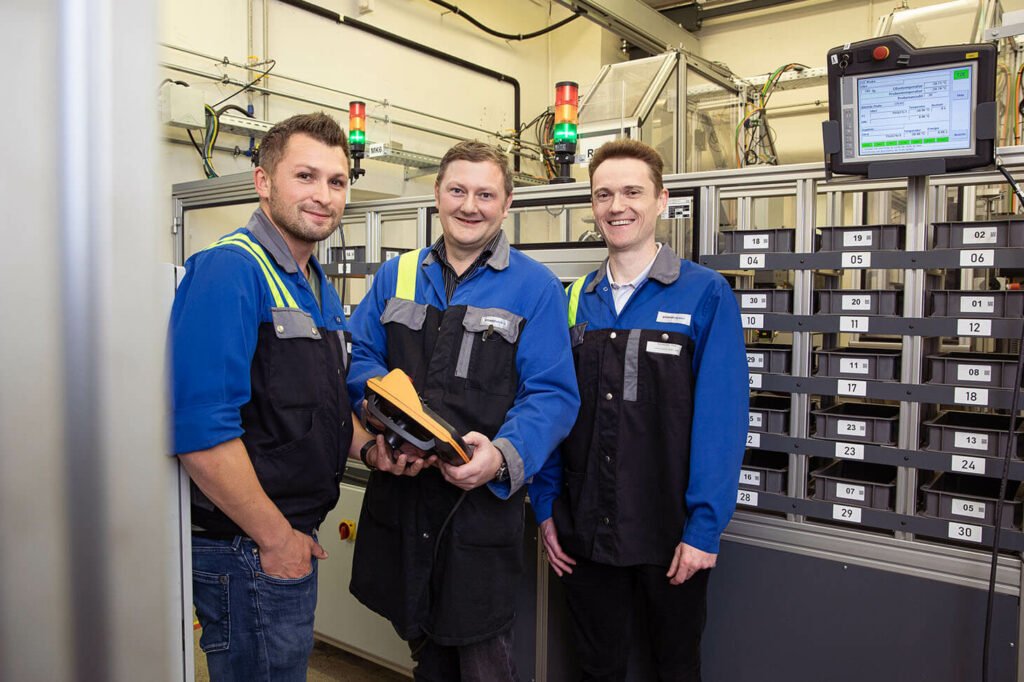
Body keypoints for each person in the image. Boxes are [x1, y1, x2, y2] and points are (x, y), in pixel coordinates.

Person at [345, 140, 580, 681]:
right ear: (437, 195)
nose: (469, 205)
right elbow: (363, 358)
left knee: (482, 658)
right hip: (404, 499)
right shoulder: (397, 275)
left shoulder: (534, 287)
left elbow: (551, 396)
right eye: (457, 190)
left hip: (477, 508)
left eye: (485, 194)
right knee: (424, 646)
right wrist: (382, 428)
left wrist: (500, 458)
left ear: (507, 204)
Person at [170, 112, 388, 681]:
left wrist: (369, 449)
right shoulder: (229, 271)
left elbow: (322, 406)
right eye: (305, 177)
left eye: (336, 182)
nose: (323, 196)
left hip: (285, 537)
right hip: (247, 546)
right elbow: (201, 432)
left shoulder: (315, 284)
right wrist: (275, 540)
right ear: (264, 182)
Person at [530, 139, 748, 682]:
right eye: (603, 194)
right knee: (595, 667)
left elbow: (722, 421)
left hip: (669, 533)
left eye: (632, 191)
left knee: (672, 668)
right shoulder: (574, 298)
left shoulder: (705, 294)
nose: (617, 206)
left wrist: (703, 528)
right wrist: (546, 505)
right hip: (584, 528)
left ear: (661, 201)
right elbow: (555, 410)